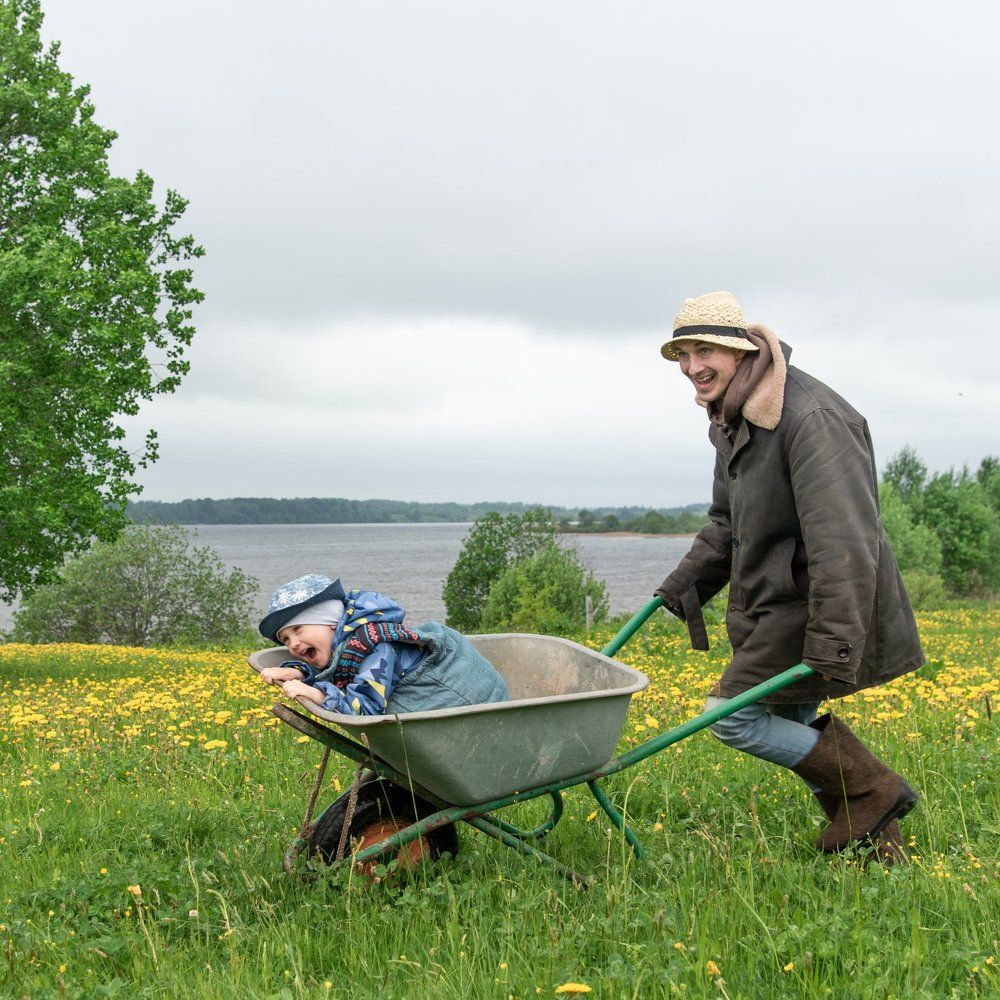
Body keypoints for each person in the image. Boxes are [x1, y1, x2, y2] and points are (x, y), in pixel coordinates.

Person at [654, 291, 923, 863]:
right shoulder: (732, 416)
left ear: (739, 350)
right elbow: (726, 522)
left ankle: (876, 790)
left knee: (732, 717)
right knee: (791, 717)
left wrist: (833, 639)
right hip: (776, 600)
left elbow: (843, 541)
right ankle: (881, 850)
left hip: (810, 604)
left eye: (705, 351)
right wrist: (682, 588)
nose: (692, 367)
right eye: (683, 354)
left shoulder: (810, 418)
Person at [257, 574, 509, 715]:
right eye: (285, 639)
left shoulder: (376, 647)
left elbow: (366, 709)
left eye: (298, 630)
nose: (293, 644)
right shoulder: (347, 647)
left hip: (477, 710)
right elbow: (341, 674)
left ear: (331, 623)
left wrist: (319, 695)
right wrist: (300, 673)